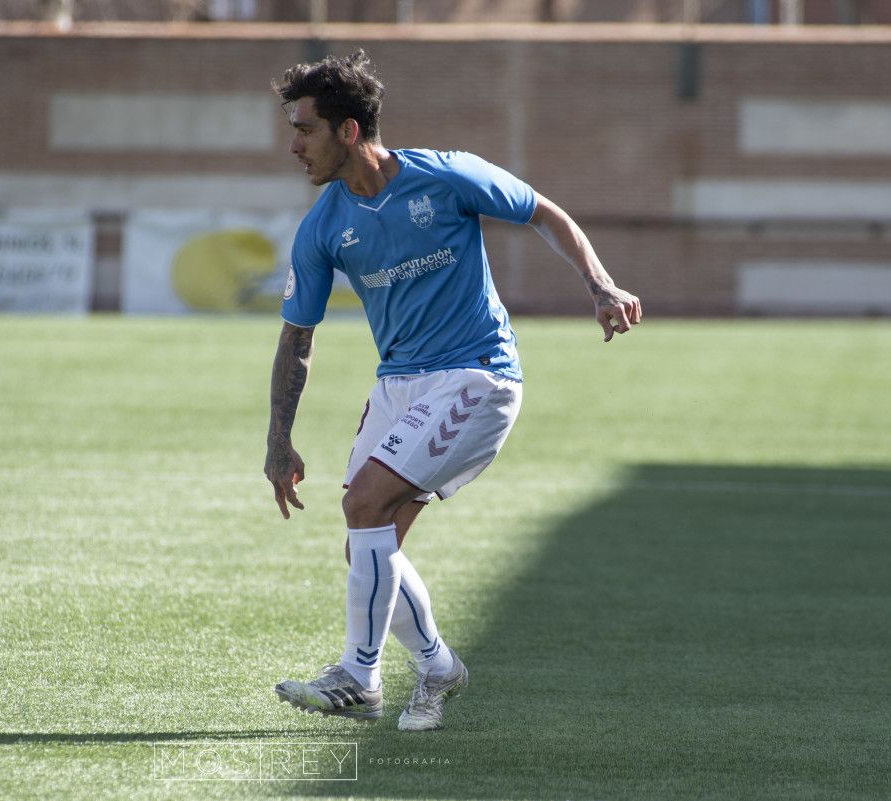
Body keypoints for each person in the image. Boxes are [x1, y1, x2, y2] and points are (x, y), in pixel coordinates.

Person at [264, 50, 641, 732]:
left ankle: (359, 675)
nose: (293, 144)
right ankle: (437, 665)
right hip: (398, 385)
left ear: (349, 131)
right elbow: (298, 337)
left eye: (305, 128)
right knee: (366, 540)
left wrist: (600, 284)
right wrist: (277, 438)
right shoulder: (322, 226)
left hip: (478, 373)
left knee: (366, 501)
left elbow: (544, 212)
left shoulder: (444, 176)